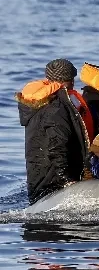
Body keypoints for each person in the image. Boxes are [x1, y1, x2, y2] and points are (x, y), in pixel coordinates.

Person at [16, 59, 90, 204]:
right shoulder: (57, 107)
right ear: (69, 80)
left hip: (38, 179)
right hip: (55, 183)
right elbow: (57, 144)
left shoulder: (40, 101)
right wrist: (66, 179)